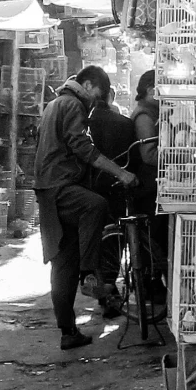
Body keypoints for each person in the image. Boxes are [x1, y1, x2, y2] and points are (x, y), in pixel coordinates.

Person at [33, 65, 134, 349]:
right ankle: (89, 274)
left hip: (46, 190)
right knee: (95, 205)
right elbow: (83, 148)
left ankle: (68, 332)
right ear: (87, 85)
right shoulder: (72, 104)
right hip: (60, 186)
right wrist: (121, 173)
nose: (95, 102)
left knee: (62, 263)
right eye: (96, 94)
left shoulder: (53, 104)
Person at [85, 75, 137, 304]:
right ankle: (108, 287)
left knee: (91, 240)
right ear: (110, 96)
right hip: (116, 188)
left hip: (87, 190)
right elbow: (133, 161)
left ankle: (96, 284)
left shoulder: (84, 125)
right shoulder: (125, 125)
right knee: (115, 239)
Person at [131, 69, 169, 308]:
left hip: (153, 185)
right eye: (160, 88)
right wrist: (175, 157)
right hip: (148, 188)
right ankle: (149, 286)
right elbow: (148, 155)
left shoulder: (154, 112)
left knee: (156, 238)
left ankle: (152, 285)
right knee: (152, 239)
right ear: (148, 90)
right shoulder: (145, 116)